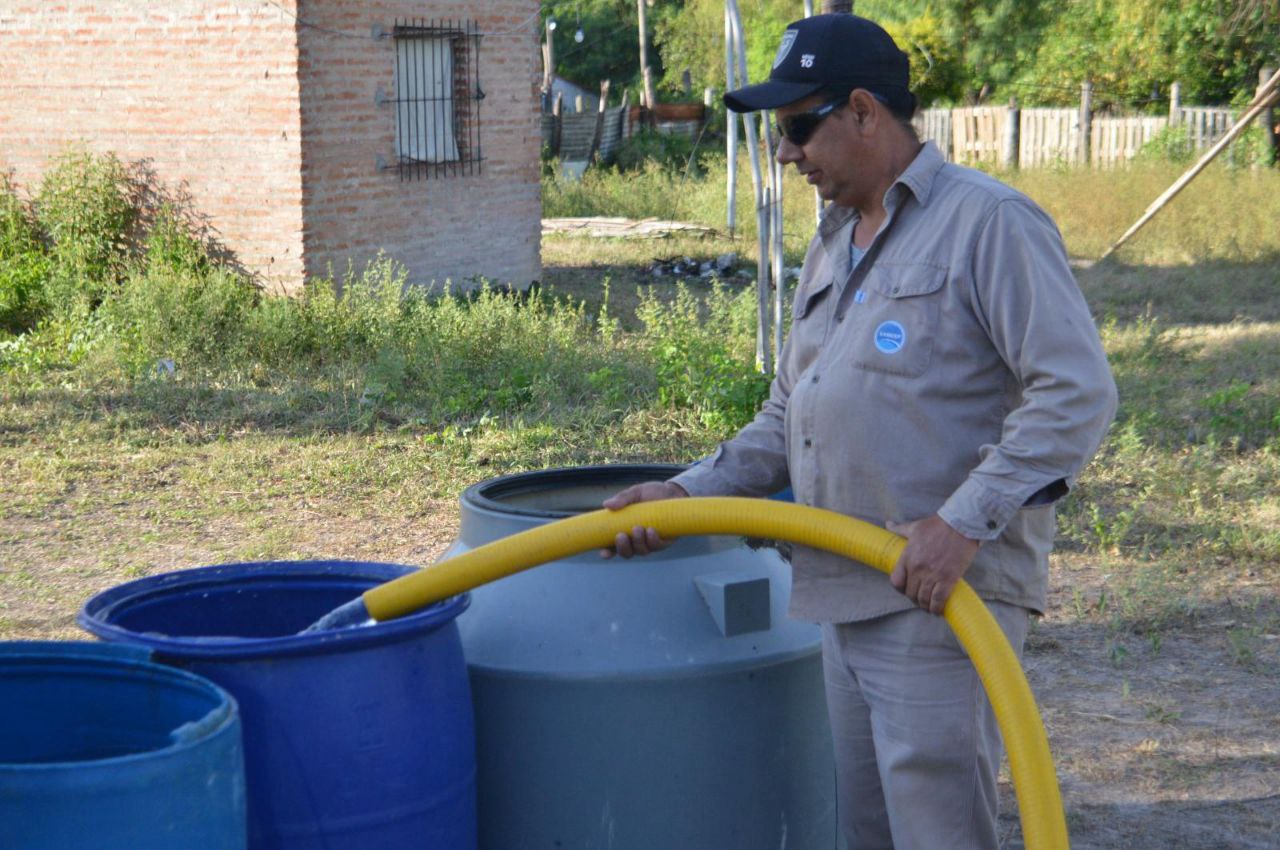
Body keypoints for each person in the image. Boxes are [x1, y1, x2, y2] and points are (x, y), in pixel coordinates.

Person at [600, 13, 1118, 850]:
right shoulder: (836, 241)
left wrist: (960, 526)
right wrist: (686, 494)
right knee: (867, 833)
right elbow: (788, 413)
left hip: (939, 599)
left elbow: (1076, 392)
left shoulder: (988, 223)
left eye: (799, 126)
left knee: (937, 833)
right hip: (843, 591)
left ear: (865, 111)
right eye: (778, 133)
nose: (784, 152)